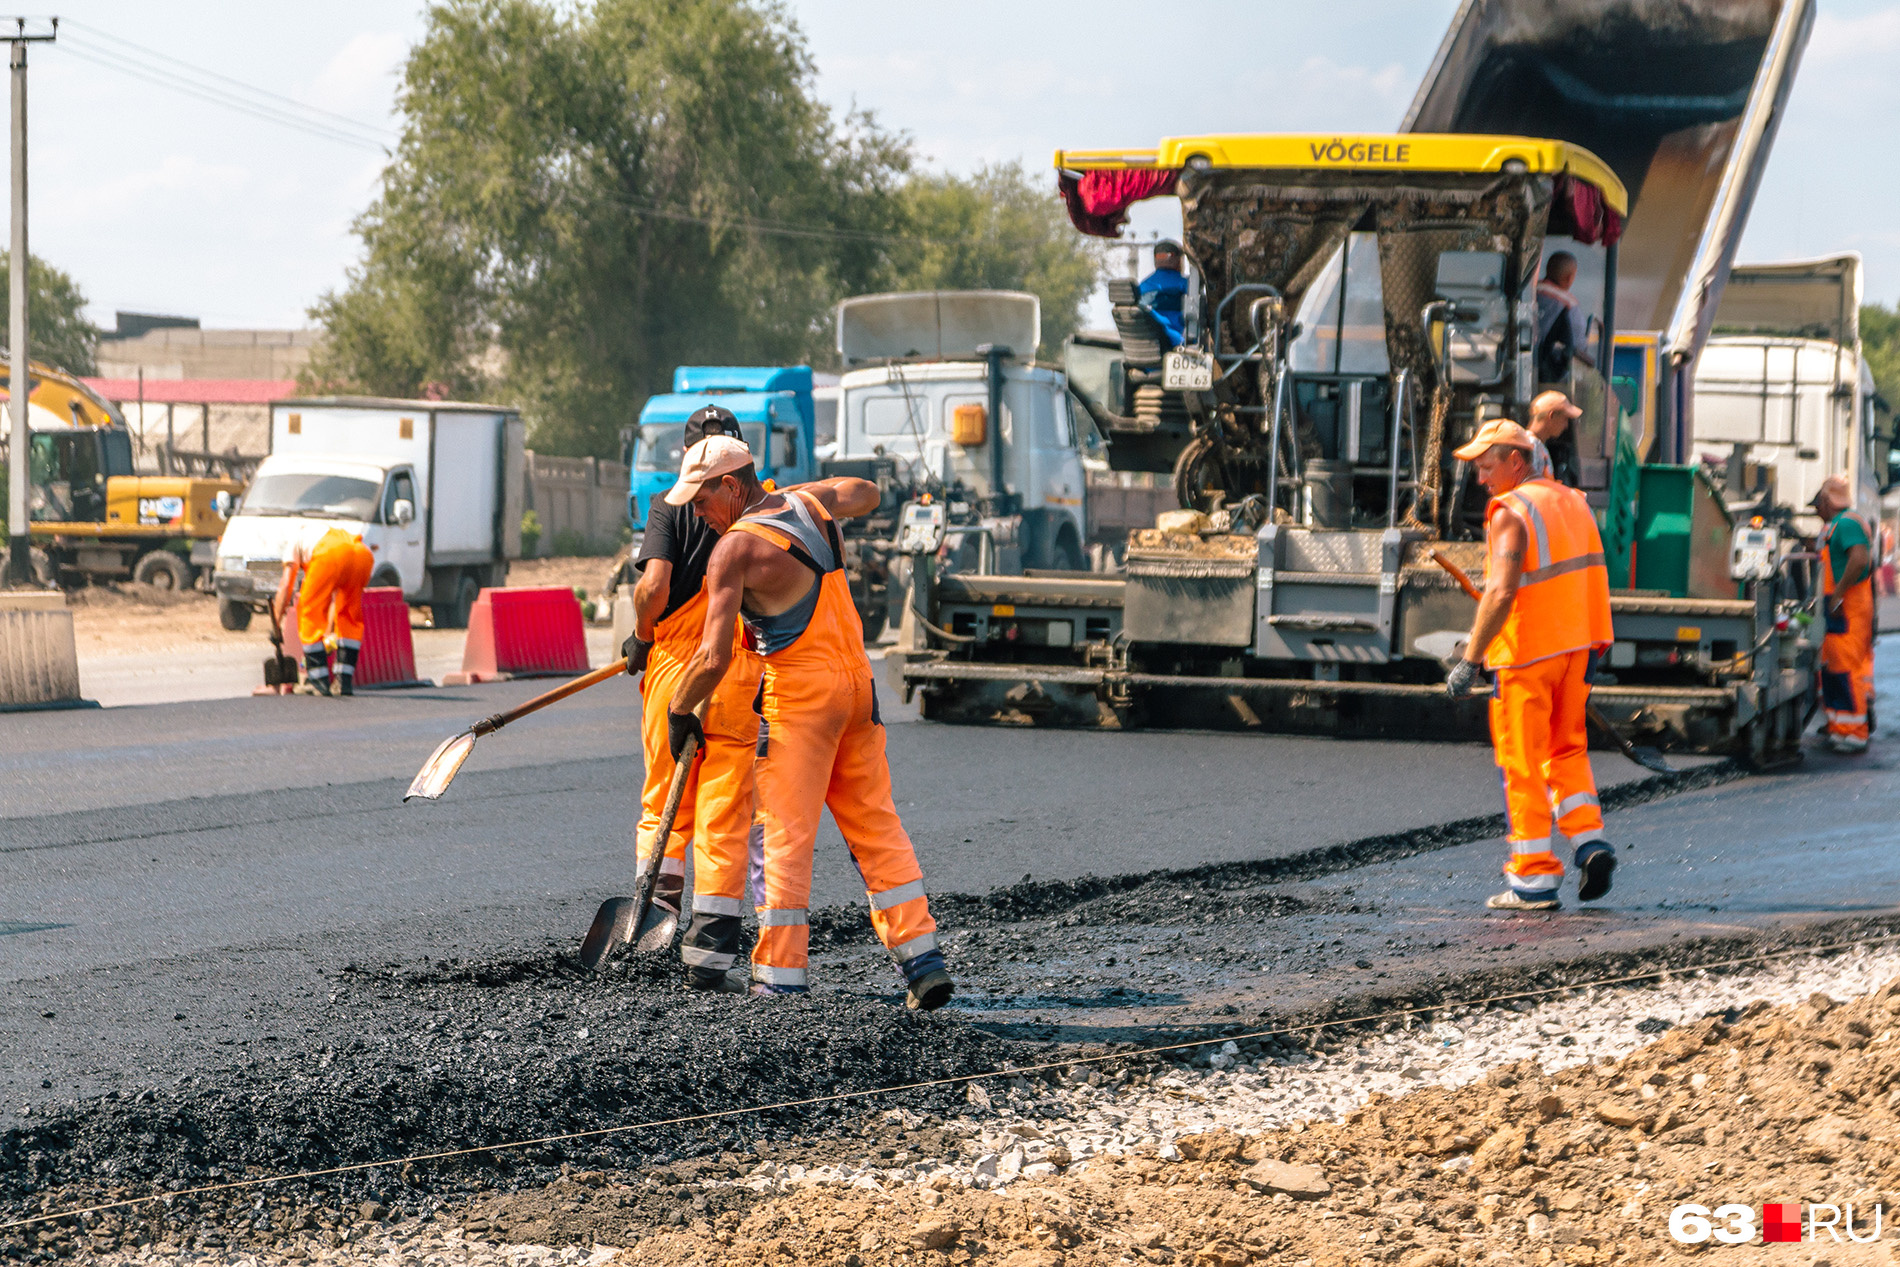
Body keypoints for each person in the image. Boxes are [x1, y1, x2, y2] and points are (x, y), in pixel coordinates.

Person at [663, 437, 954, 1009]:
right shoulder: (807, 507)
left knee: (780, 839)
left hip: (801, 697)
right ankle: (922, 960)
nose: (696, 514)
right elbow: (865, 493)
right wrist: (800, 494)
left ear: (731, 485)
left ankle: (778, 979)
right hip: (857, 687)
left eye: (700, 501)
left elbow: (713, 658)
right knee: (875, 823)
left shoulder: (734, 552)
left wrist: (680, 710)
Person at [621, 406, 767, 988]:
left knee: (663, 806)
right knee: (725, 811)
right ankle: (707, 958)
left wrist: (642, 634)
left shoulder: (667, 505)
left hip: (678, 670)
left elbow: (654, 586)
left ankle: (652, 927)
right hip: (740, 672)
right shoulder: (769, 503)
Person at [1445, 418, 1616, 912]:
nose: (1481, 479)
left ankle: (1534, 881)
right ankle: (1590, 842)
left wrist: (1470, 660)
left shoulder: (1509, 511)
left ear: (1516, 461)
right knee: (1566, 751)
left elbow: (1500, 591)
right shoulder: (1573, 502)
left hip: (1528, 654)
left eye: (1487, 465)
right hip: (1579, 648)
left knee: (1522, 763)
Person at [1812, 474, 1876, 754]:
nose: (1816, 510)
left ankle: (1854, 731)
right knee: (1834, 666)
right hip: (1839, 605)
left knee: (1846, 668)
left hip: (1847, 607)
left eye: (1818, 504)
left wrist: (1838, 594)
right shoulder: (1837, 526)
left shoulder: (1847, 523)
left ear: (1827, 500)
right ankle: (1839, 726)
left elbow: (1859, 558)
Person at [275, 527, 374, 696]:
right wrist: (328, 633)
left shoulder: (293, 543)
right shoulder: (320, 536)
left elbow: (286, 586)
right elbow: (334, 601)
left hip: (330, 555)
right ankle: (343, 681)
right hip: (361, 554)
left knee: (308, 611)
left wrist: (276, 623)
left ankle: (317, 682)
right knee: (349, 615)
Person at [1535, 252, 1595, 383]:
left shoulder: (1528, 293)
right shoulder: (1570, 306)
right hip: (1547, 378)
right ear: (1569, 278)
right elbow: (1578, 349)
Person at [1137, 239, 1189, 349]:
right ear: (1178, 260)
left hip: (1147, 346)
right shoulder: (1185, 284)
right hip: (1175, 344)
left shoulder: (1143, 286)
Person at [1526, 390, 1584, 487]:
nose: (1566, 426)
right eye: (1565, 419)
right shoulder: (1532, 446)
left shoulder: (1537, 445)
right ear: (1551, 416)